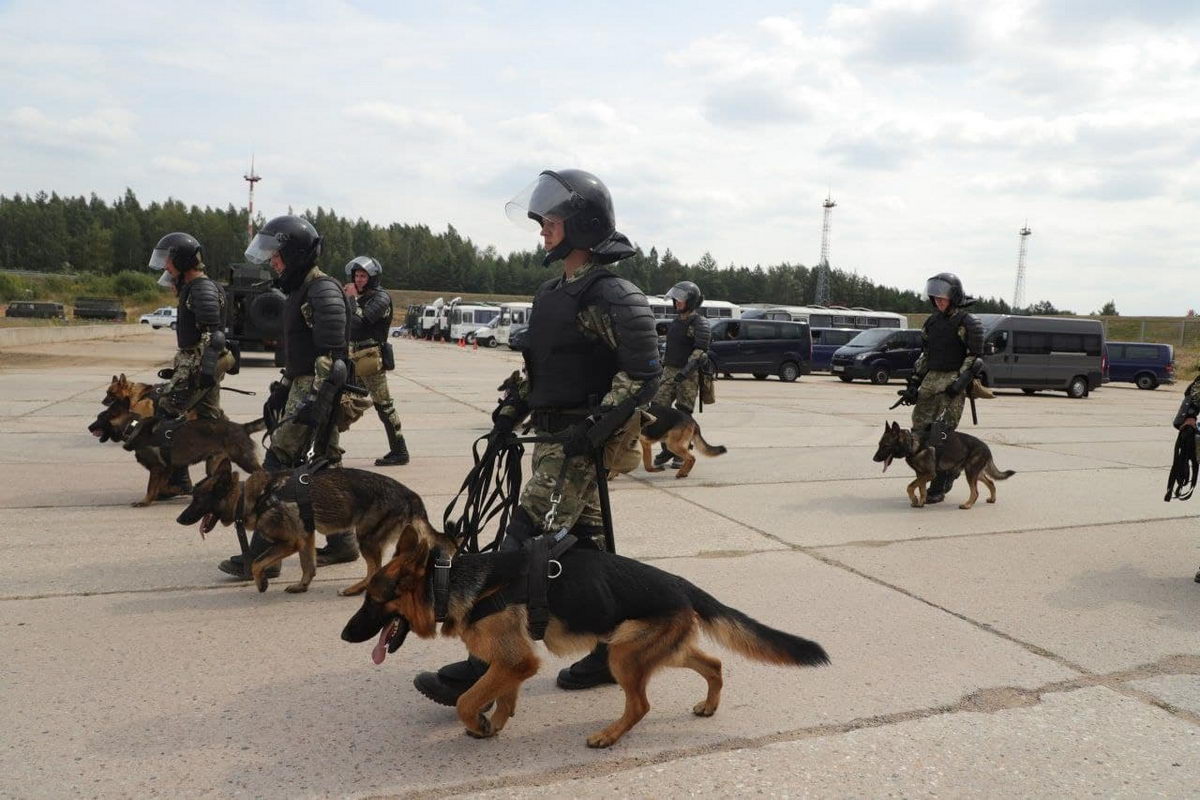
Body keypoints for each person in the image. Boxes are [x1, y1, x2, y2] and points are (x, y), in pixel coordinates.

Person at [412, 169, 661, 706]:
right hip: (552, 438)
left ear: (581, 225)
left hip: (579, 444)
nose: (543, 230)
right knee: (591, 550)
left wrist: (593, 430)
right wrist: (511, 409)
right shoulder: (554, 292)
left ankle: (481, 662)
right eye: (542, 221)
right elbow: (541, 367)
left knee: (518, 549)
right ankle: (611, 649)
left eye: (551, 221)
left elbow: (643, 374)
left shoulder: (615, 295)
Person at [218, 215, 357, 577]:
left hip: (316, 389)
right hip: (303, 385)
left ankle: (263, 556)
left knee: (277, 466)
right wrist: (282, 388)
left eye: (277, 255)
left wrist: (315, 403)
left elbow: (334, 359)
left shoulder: (322, 290)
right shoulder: (299, 289)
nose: (272, 262)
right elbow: (303, 352)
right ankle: (344, 543)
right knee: (326, 466)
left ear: (295, 253)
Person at [146, 232, 231, 495]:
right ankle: (198, 482)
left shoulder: (202, 288)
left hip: (198, 365)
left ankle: (192, 481)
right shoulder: (195, 288)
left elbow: (213, 335)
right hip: (195, 364)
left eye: (169, 261)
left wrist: (204, 369)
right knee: (206, 421)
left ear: (183, 260)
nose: (166, 267)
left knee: (166, 416)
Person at [897, 272, 984, 504]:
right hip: (930, 382)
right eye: (935, 297)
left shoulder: (967, 322)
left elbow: (975, 358)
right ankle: (923, 478)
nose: (938, 301)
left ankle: (943, 481)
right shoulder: (932, 322)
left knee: (940, 436)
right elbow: (925, 354)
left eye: (942, 297)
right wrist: (914, 383)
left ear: (954, 296)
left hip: (952, 383)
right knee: (919, 432)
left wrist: (959, 383)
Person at [344, 256, 409, 466]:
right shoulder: (360, 297)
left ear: (372, 277)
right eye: (356, 275)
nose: (358, 279)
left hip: (371, 359)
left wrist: (351, 300)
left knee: (384, 406)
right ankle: (327, 447)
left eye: (363, 276)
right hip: (355, 358)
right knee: (345, 401)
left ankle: (400, 451)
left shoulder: (381, 299)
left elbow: (360, 323)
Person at [652, 280, 711, 468]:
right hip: (669, 370)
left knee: (682, 414)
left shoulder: (699, 323)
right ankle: (667, 449)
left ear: (691, 301)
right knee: (658, 409)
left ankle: (678, 453)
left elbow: (700, 351)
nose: (677, 303)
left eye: (680, 300)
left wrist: (685, 372)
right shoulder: (676, 322)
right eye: (675, 300)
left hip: (688, 375)